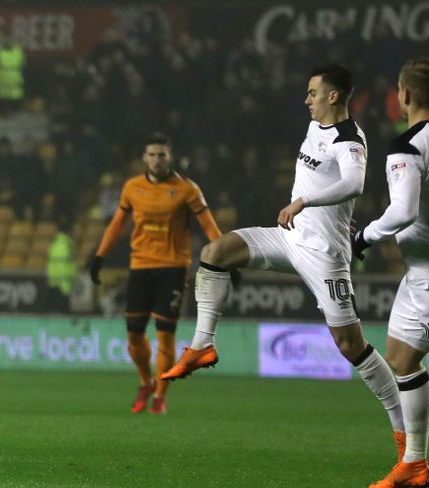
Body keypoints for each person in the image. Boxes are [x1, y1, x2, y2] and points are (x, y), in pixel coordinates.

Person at [160, 64, 406, 459]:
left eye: (313, 92)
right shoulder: (315, 127)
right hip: (289, 238)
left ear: (333, 96)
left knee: (350, 344)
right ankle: (203, 345)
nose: (306, 100)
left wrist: (304, 201)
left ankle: (404, 433)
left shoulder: (348, 138)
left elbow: (354, 183)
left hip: (324, 254)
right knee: (215, 253)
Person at [89, 133, 222, 414]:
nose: (156, 160)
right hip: (140, 267)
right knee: (134, 336)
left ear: (169, 156)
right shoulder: (132, 187)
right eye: (152, 154)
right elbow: (116, 225)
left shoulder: (187, 189)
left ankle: (160, 395)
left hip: (173, 268)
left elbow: (209, 227)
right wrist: (99, 256)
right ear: (144, 158)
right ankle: (145, 381)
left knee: (165, 337)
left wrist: (225, 258)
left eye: (161, 154)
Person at [353, 58, 429, 488]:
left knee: (402, 360)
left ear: (406, 95)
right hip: (417, 275)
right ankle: (415, 462)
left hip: (426, 275)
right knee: (401, 358)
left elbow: (403, 211)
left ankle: (416, 462)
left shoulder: (408, 146)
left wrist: (363, 236)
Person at [0, 37, 25, 116]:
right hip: (14, 85)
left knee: (2, 102)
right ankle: (14, 112)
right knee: (14, 101)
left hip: (1, 86)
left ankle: (3, 112)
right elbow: (22, 62)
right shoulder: (17, 54)